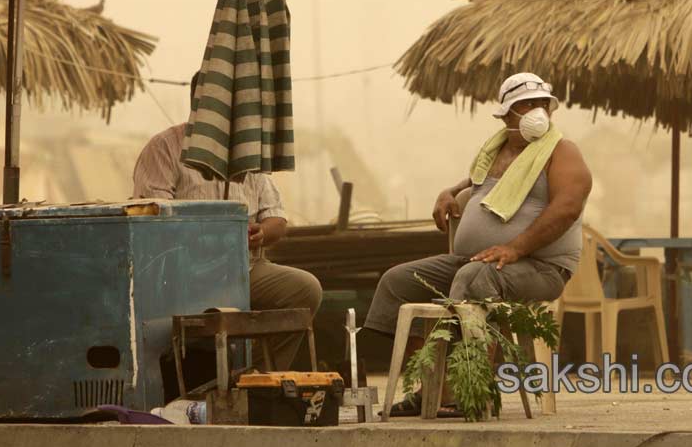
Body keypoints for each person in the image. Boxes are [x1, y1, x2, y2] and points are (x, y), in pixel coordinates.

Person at [365, 72, 592, 415]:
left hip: (538, 267)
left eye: (541, 105)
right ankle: (431, 393)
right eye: (525, 105)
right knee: (397, 282)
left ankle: (470, 392)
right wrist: (451, 192)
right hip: (476, 261)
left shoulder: (562, 152)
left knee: (474, 278)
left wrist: (516, 247)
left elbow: (568, 207)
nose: (536, 112)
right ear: (506, 115)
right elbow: (477, 181)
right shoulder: (495, 151)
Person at [132, 74, 322, 371]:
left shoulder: (247, 154)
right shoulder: (164, 148)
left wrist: (261, 232)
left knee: (304, 289)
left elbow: (277, 219)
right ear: (198, 103)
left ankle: (257, 376)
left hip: (243, 268)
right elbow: (153, 219)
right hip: (184, 270)